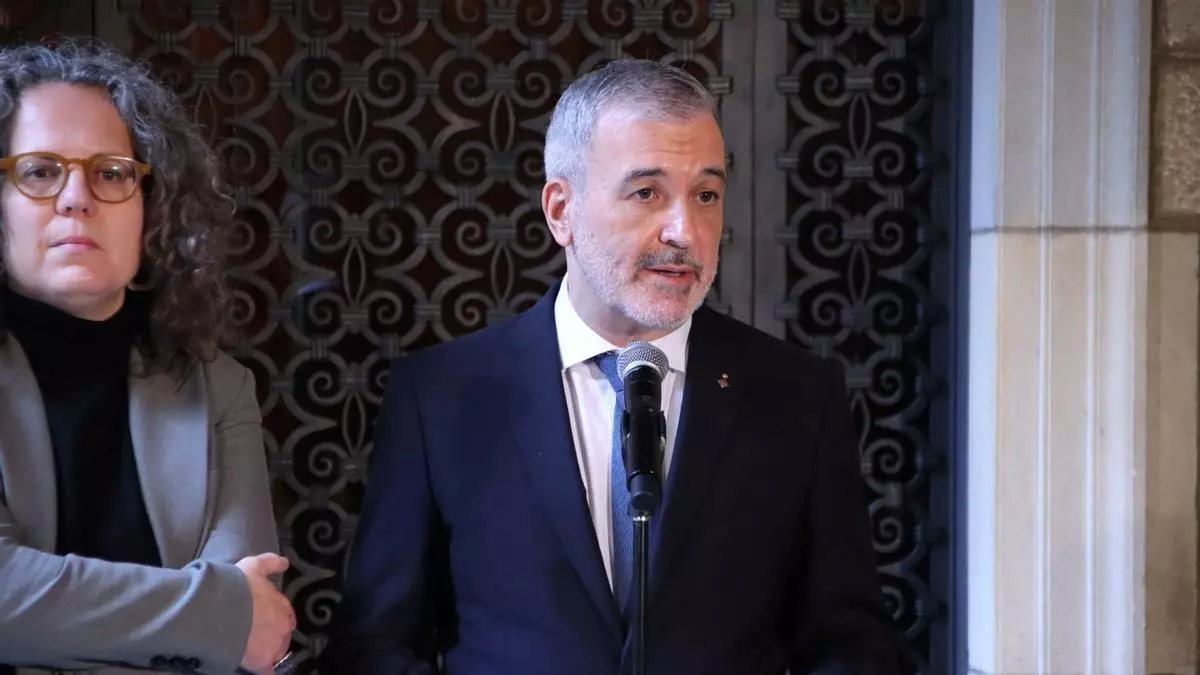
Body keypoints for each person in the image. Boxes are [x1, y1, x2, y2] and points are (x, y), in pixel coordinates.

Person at [321, 59, 900, 674]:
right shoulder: (442, 397)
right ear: (560, 211)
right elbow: (373, 647)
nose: (684, 231)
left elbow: (850, 647)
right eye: (647, 192)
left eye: (706, 195)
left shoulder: (796, 395)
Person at [0, 41, 294, 674]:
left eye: (111, 173)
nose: (76, 197)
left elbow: (255, 625)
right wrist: (208, 615)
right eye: (39, 171)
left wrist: (219, 619)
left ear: (152, 209)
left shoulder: (220, 386)